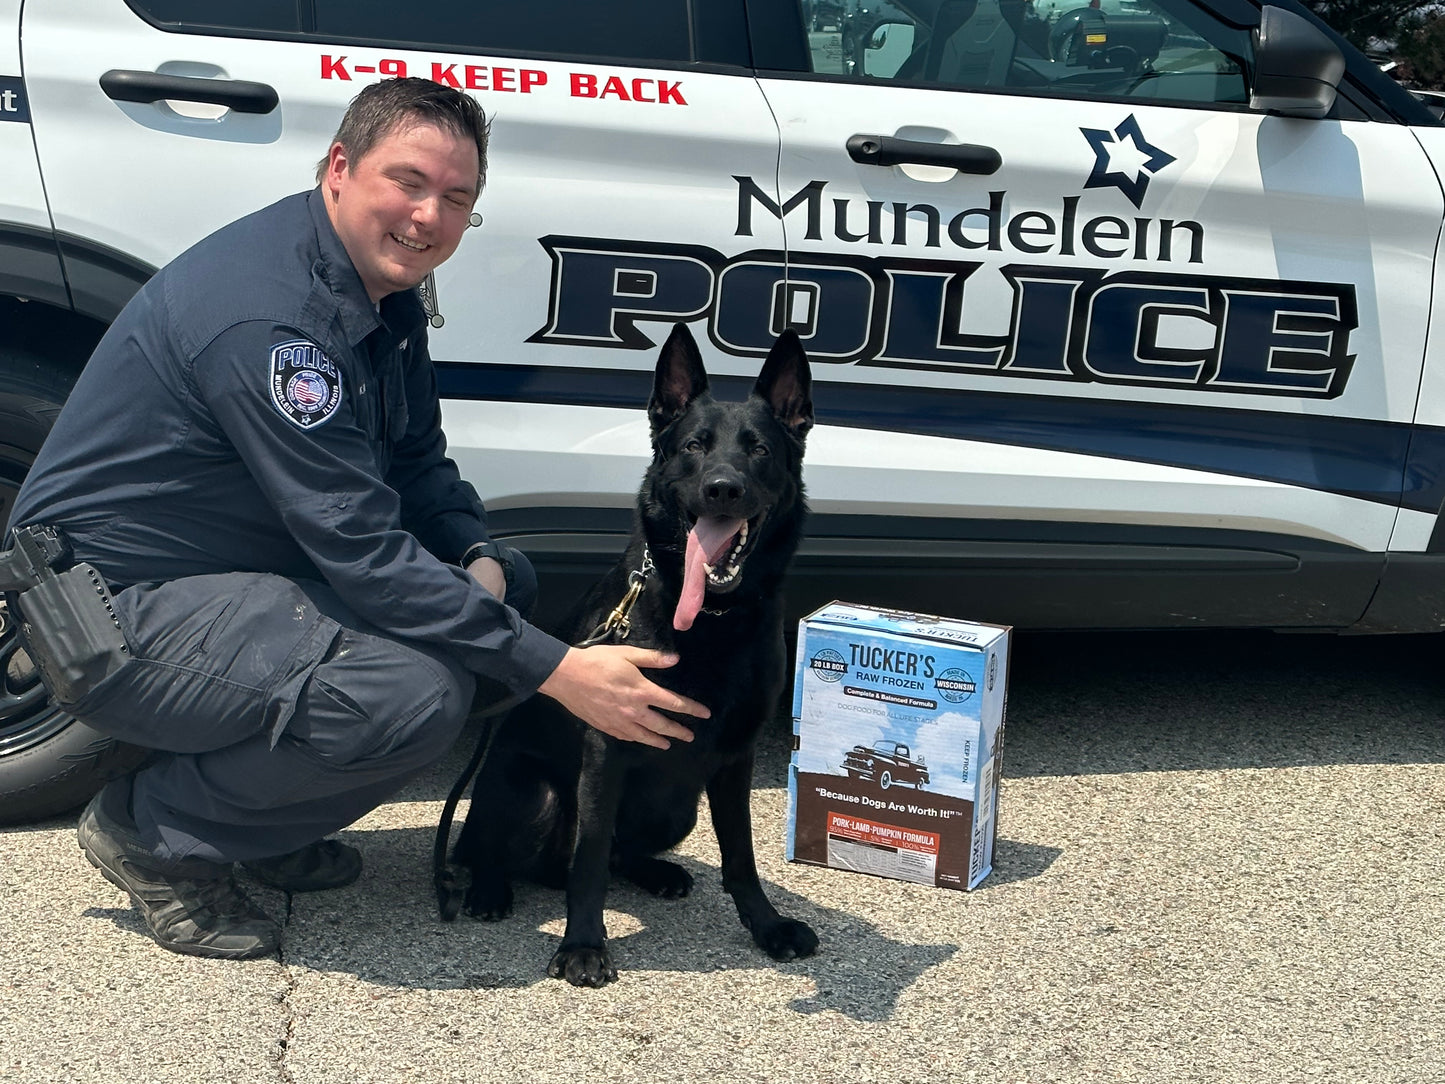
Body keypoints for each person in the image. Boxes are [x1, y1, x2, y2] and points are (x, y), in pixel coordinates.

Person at [7, 78, 706, 961]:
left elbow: (417, 465)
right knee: (410, 693)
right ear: (338, 167)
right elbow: (364, 553)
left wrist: (475, 550)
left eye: (456, 199)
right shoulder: (276, 324)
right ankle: (160, 833)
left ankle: (259, 820)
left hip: (231, 578)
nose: (427, 217)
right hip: (116, 614)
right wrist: (561, 670)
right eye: (406, 183)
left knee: (502, 592)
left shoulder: (378, 292)